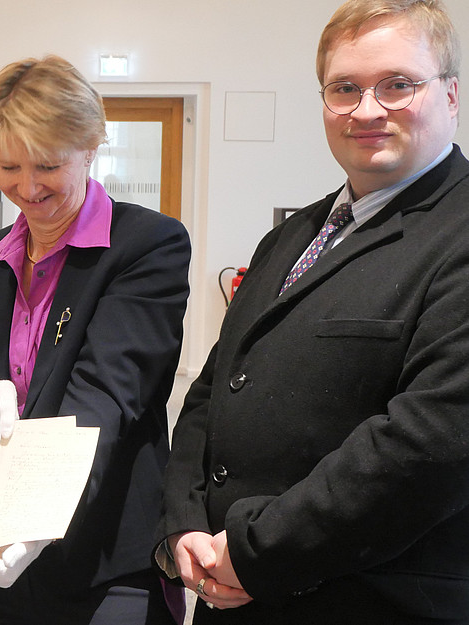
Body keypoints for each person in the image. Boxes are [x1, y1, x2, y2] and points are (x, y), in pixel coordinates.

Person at [158, 1, 469, 622]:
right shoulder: (291, 237)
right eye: (344, 88)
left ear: (451, 95)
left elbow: (429, 446)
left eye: (398, 84)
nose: (367, 109)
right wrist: (183, 522)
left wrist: (258, 552)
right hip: (229, 586)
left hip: (365, 599)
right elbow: (216, 386)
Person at [0, 55, 191, 625]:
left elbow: (104, 400)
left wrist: (34, 524)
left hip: (101, 554)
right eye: (7, 167)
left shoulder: (147, 245)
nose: (26, 187)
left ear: (91, 145)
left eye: (47, 165)